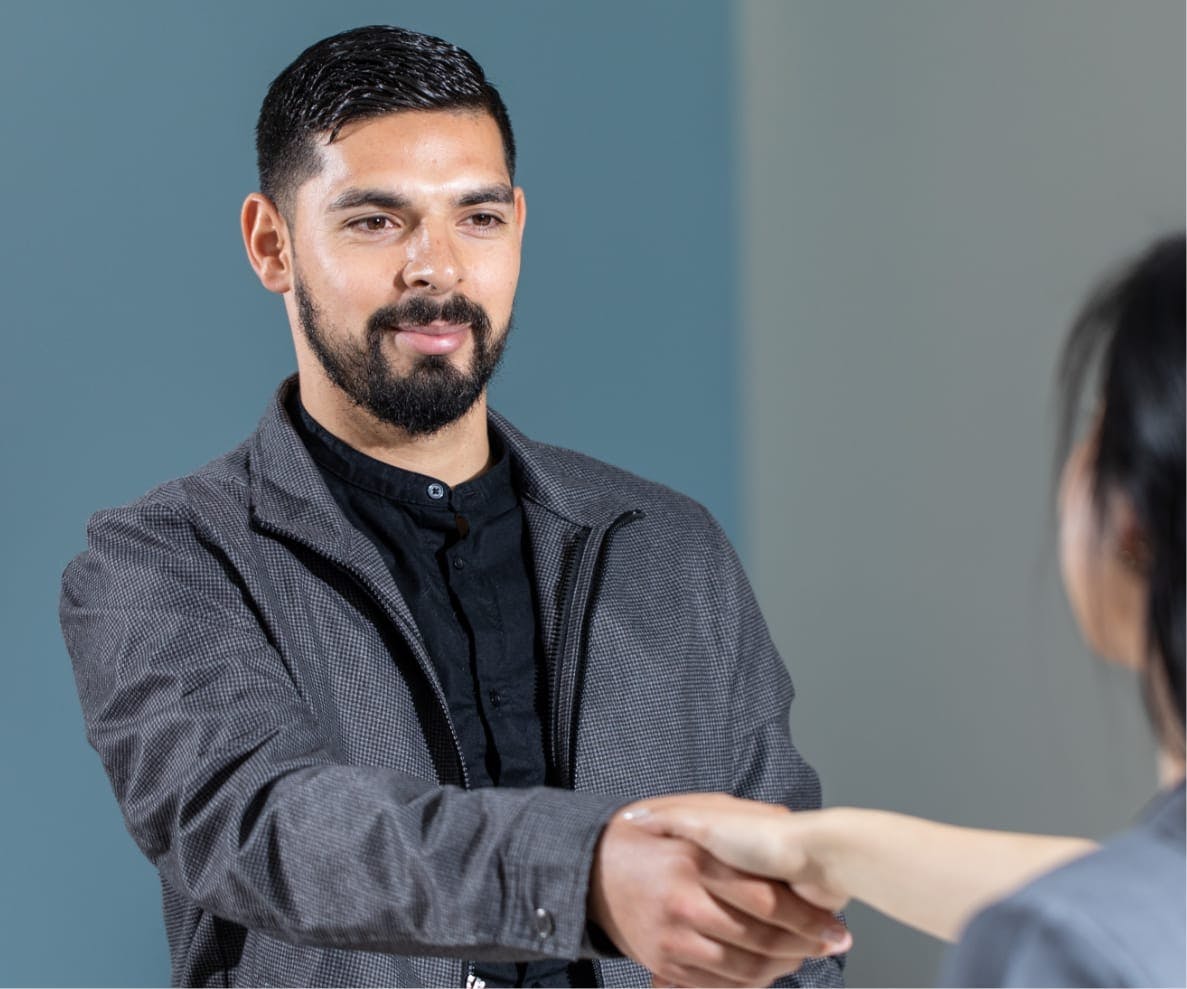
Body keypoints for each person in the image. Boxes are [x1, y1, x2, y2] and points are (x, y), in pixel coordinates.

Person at [58, 25, 847, 989]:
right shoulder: (160, 562)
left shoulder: (668, 546)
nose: (436, 269)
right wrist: (583, 873)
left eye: (475, 218)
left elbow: (785, 914)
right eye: (374, 221)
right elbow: (267, 824)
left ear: (516, 224)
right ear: (273, 244)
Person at [630, 233, 1186, 987]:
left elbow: (1108, 921)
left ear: (1130, 524)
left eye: (1096, 424)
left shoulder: (1061, 948)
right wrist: (825, 850)